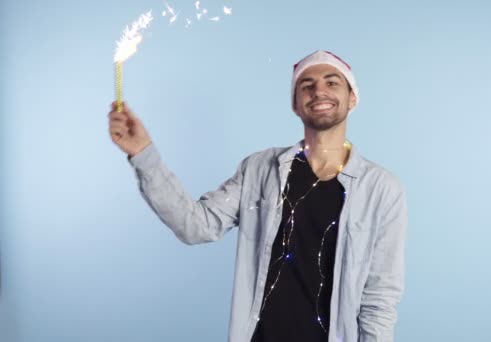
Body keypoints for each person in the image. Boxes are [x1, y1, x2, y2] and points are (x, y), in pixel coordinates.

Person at [108, 50, 408, 342]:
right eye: (307, 86)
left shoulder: (381, 189)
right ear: (295, 104)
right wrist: (143, 153)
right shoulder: (260, 170)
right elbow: (196, 225)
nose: (319, 91)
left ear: (352, 98)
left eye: (332, 82)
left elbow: (379, 299)